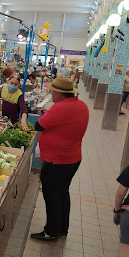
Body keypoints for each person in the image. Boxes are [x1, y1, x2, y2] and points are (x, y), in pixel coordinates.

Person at [30, 77, 89, 241]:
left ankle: (51, 231)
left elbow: (38, 125)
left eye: (52, 91)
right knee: (62, 193)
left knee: (51, 195)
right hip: (72, 159)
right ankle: (63, 229)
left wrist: (48, 115)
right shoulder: (81, 106)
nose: (51, 93)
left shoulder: (60, 108)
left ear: (61, 93)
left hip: (57, 161)